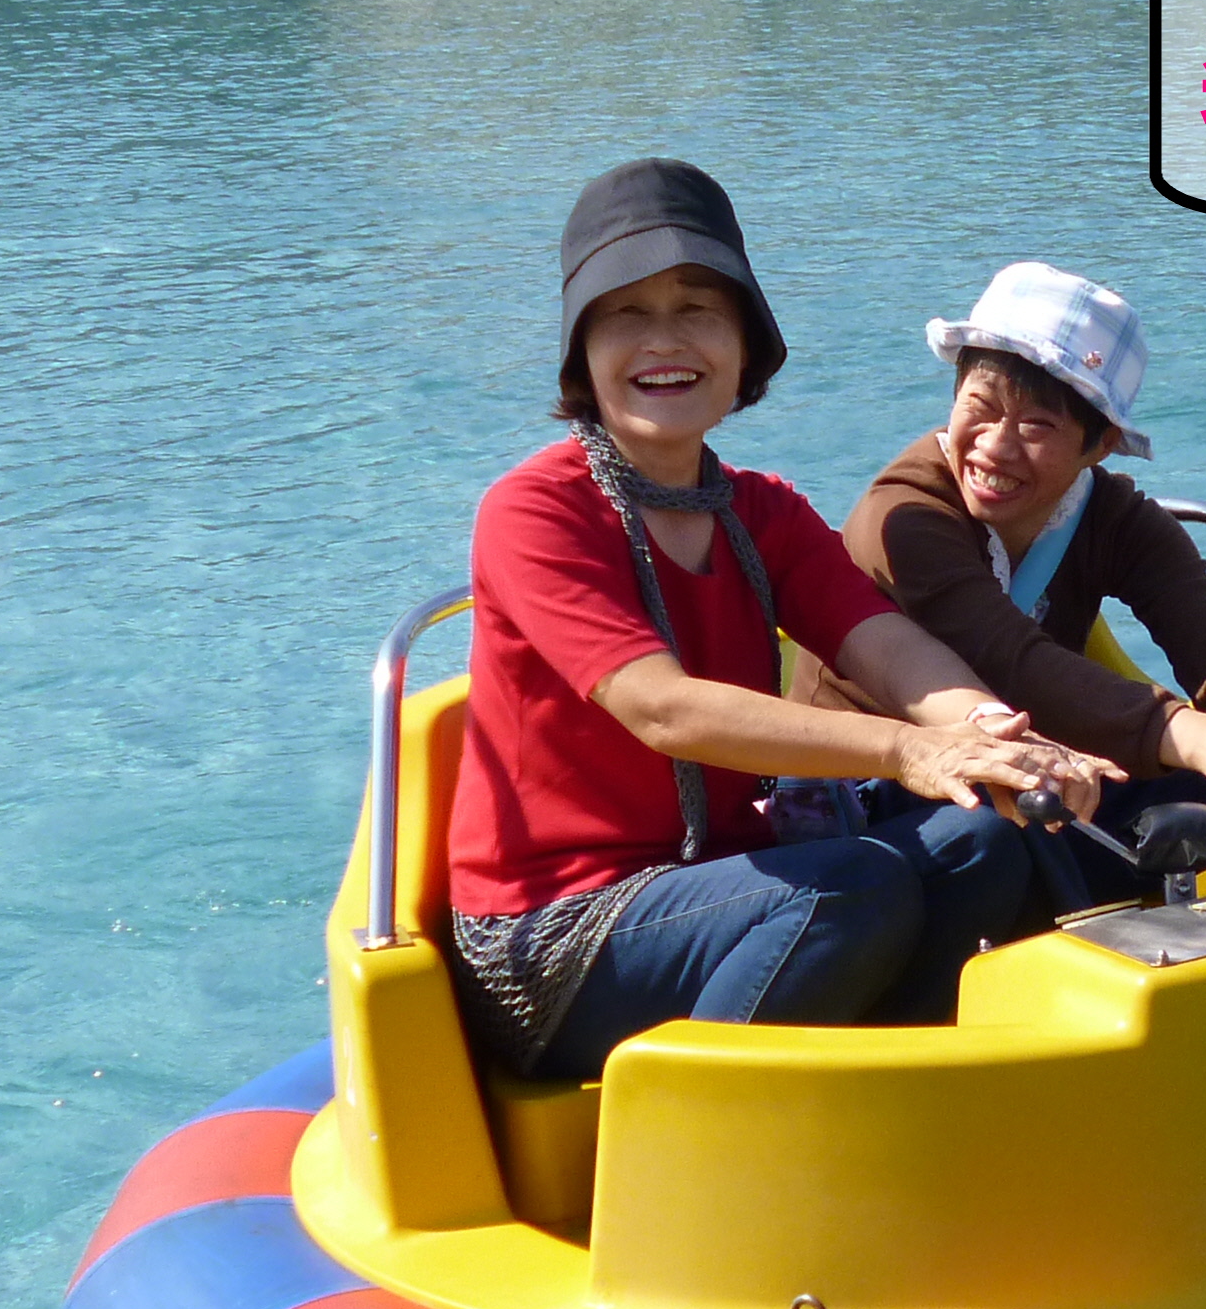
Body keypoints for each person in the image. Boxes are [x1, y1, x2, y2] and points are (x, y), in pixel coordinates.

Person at [446, 161, 1109, 1081]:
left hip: (717, 883)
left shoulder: (765, 512)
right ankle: (703, 1148)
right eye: (627, 313)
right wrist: (911, 752)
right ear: (581, 348)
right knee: (844, 891)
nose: (665, 340)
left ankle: (895, 1103)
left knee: (986, 839)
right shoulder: (534, 511)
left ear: (745, 342)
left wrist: (995, 736)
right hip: (555, 931)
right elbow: (664, 710)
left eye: (698, 310)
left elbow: (886, 645)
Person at [839, 263, 1206, 902]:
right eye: (980, 408)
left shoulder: (1113, 519)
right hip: (883, 789)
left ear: (1099, 445)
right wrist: (1194, 736)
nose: (995, 447)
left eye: (1037, 426)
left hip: (1048, 760)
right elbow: (1010, 662)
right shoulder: (903, 518)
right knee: (1000, 833)